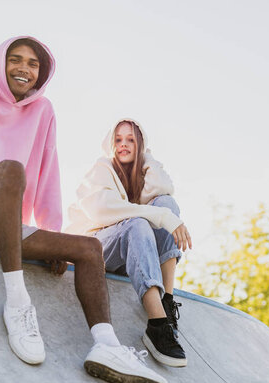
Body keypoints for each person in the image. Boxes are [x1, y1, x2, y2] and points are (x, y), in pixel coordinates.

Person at [0, 37, 167, 383]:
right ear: (1, 63)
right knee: (11, 170)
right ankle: (18, 304)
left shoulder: (43, 111)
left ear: (41, 73)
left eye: (32, 64)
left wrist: (50, 238)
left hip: (3, 225)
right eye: (16, 60)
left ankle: (106, 346)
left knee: (89, 248)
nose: (23, 69)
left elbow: (47, 177)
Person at [66, 119, 193, 368]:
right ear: (110, 144)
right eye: (118, 139)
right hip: (96, 248)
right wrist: (160, 218)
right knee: (139, 222)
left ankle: (167, 299)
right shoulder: (100, 169)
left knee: (166, 204)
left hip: (133, 251)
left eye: (131, 140)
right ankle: (157, 324)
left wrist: (147, 159)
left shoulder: (142, 174)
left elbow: (164, 188)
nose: (124, 144)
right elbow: (102, 210)